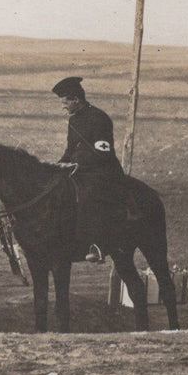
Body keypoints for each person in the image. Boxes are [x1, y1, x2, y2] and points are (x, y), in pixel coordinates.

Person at [52, 75, 126, 261]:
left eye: (65, 103)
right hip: (79, 169)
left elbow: (103, 151)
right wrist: (58, 165)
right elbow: (70, 150)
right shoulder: (74, 120)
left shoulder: (99, 118)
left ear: (76, 99)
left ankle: (97, 244)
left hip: (102, 170)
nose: (63, 107)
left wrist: (79, 164)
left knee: (88, 194)